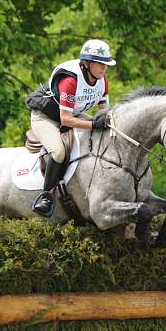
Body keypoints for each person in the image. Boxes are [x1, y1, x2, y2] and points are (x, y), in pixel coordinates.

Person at [25, 39, 116, 217]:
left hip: (73, 114)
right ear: (87, 63)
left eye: (106, 64)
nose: (104, 68)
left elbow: (105, 110)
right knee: (58, 152)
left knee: (102, 133)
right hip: (46, 118)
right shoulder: (70, 81)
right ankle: (46, 196)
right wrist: (92, 124)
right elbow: (65, 120)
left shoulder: (102, 80)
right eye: (99, 63)